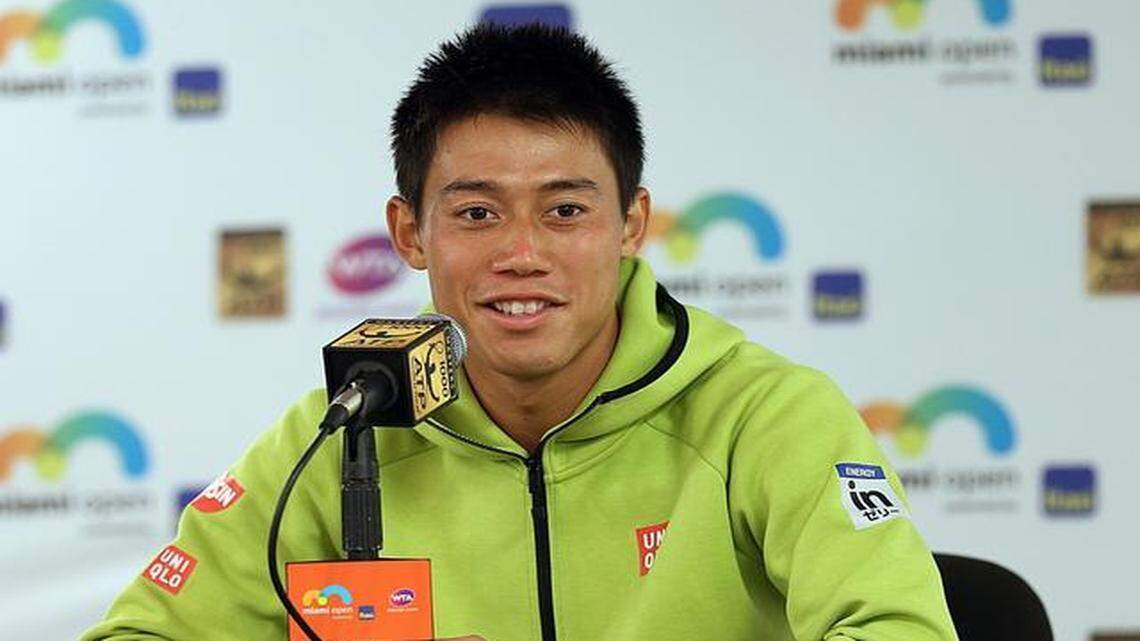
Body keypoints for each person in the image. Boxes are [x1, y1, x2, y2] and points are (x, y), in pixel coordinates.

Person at [81, 24, 958, 641]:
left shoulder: (763, 414)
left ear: (631, 223)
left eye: (566, 209)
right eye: (477, 212)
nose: (522, 253)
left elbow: (896, 629)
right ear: (409, 232)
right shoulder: (346, 429)